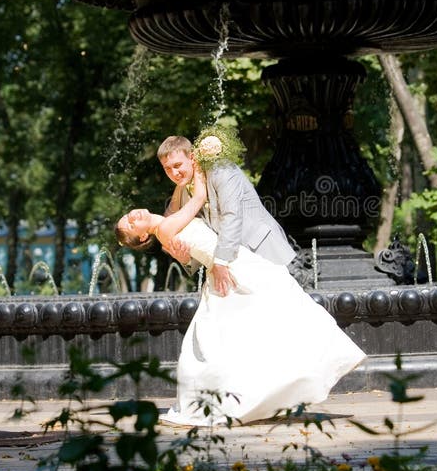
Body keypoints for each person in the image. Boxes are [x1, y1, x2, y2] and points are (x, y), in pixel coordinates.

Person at [116, 167, 365, 426]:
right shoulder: (166, 226)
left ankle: (271, 388)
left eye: (128, 216)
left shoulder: (169, 215)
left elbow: (182, 198)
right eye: (131, 224)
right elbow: (199, 198)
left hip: (233, 262)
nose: (132, 215)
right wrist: (199, 165)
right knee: (279, 312)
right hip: (230, 268)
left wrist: (184, 169)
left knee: (256, 326)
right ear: (143, 237)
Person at [157, 134, 295, 297]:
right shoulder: (186, 195)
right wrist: (187, 258)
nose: (174, 173)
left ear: (192, 157)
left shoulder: (221, 169)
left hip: (262, 251)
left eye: (178, 165)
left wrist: (221, 262)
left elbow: (232, 215)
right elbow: (204, 236)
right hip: (236, 266)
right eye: (167, 168)